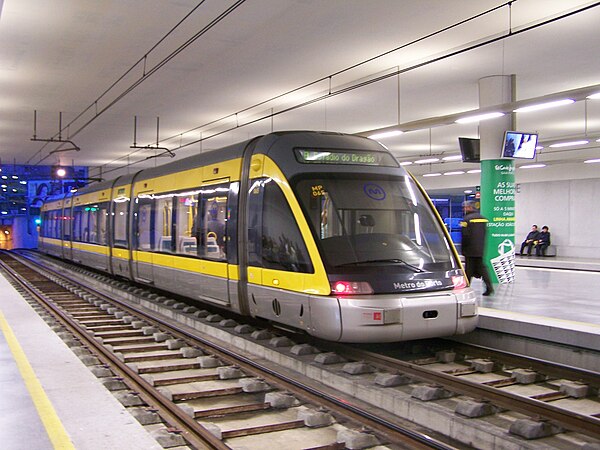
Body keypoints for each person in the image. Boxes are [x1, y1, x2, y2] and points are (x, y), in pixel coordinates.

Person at [460, 201, 494, 296]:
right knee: (482, 269)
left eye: (465, 207)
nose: (464, 209)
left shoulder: (466, 220)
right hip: (480, 248)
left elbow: (465, 235)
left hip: (470, 249)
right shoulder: (483, 219)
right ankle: (489, 287)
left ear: (469, 208)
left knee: (468, 270)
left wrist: (463, 249)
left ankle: (465, 288)